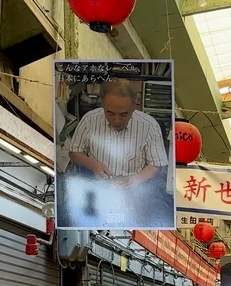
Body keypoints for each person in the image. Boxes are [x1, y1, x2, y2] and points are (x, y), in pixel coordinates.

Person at [65, 78, 171, 229]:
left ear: (135, 105)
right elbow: (74, 152)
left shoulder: (149, 126)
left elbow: (156, 164)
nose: (117, 120)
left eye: (123, 114)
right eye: (110, 113)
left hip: (134, 196)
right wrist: (93, 165)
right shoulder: (90, 120)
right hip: (98, 191)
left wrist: (135, 179)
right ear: (102, 104)